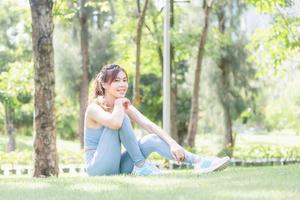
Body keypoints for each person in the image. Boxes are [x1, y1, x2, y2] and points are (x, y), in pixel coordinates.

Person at [84, 64, 230, 176]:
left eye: (124, 80)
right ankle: (141, 166)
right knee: (122, 120)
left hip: (116, 165)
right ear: (104, 84)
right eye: (117, 80)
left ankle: (199, 162)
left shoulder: (121, 104)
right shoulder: (94, 107)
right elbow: (115, 123)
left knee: (152, 139)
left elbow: (148, 125)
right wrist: (118, 104)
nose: (122, 85)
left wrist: (173, 144)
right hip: (97, 166)